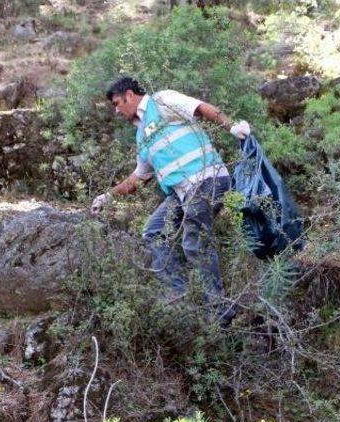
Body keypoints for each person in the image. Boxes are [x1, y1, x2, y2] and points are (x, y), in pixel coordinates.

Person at [90, 76, 251, 325]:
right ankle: (181, 298)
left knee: (194, 242)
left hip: (207, 179)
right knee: (154, 232)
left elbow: (199, 107)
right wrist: (108, 196)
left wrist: (231, 127)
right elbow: (140, 176)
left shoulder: (162, 100)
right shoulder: (142, 135)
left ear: (130, 95)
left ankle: (221, 313)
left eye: (117, 103)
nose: (117, 110)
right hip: (181, 191)